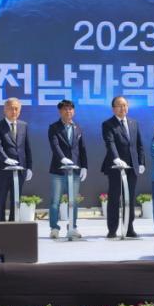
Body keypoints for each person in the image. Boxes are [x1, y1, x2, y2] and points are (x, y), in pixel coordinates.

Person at [101, 96, 145, 238]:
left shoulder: (134, 123)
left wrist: (141, 162)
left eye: (125, 105)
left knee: (129, 198)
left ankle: (129, 228)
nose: (123, 108)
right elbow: (110, 143)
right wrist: (116, 158)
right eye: (119, 105)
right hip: (116, 167)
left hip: (132, 166)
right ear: (113, 108)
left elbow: (139, 144)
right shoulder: (108, 124)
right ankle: (112, 229)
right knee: (114, 198)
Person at [47, 99, 88, 239]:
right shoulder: (54, 127)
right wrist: (62, 158)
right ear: (60, 111)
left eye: (70, 109)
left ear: (73, 111)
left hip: (75, 170)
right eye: (65, 109)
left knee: (73, 201)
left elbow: (82, 149)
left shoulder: (78, 128)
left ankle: (72, 227)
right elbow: (55, 146)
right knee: (55, 201)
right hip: (58, 170)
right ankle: (54, 228)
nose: (68, 111)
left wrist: (84, 166)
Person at [0, 97, 33, 221]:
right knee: (1, 199)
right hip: (3, 170)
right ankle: (0, 226)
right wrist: (6, 159)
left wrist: (29, 167)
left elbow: (27, 148)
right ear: (5, 110)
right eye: (11, 109)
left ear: (19, 110)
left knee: (16, 200)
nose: (14, 111)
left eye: (16, 109)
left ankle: (14, 225)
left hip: (19, 170)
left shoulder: (23, 125)